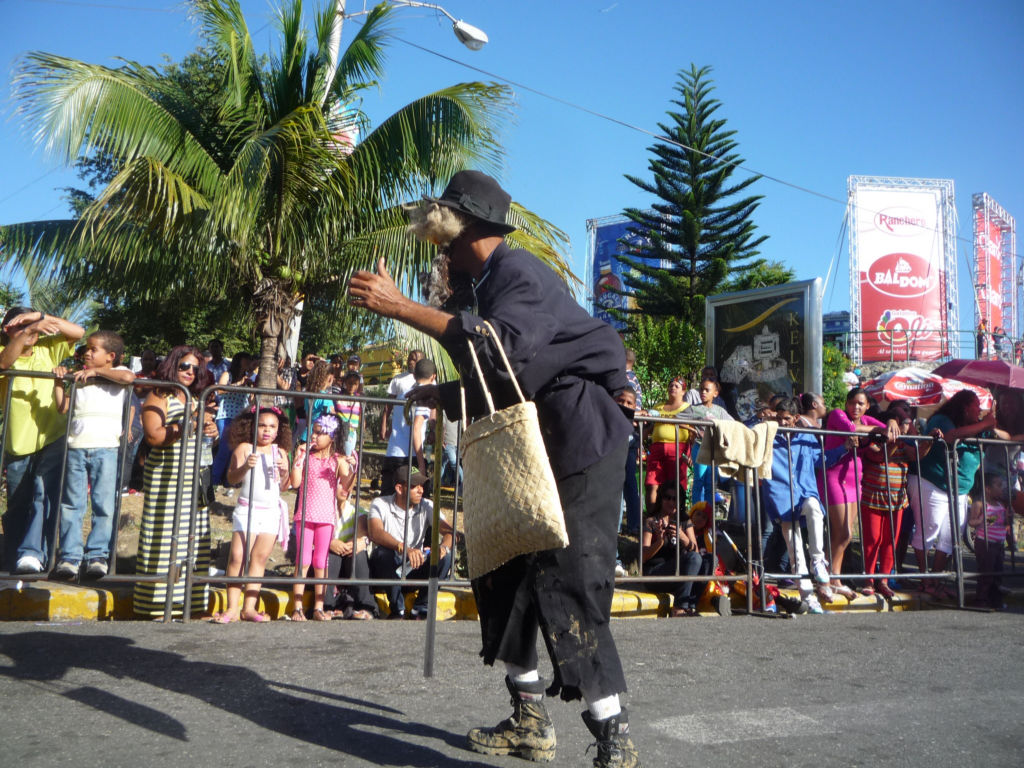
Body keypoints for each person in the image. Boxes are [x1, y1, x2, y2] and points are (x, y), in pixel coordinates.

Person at [348, 170, 640, 765]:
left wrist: (399, 307)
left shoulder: (519, 272)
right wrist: (449, 395)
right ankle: (528, 720)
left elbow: (503, 348)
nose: (441, 258)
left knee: (568, 579)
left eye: (443, 245)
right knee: (502, 570)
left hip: (581, 443)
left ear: (466, 232)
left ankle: (613, 735)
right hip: (534, 445)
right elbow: (503, 376)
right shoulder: (485, 284)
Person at [0, 307, 85, 574]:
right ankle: (12, 558)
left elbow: (79, 332)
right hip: (18, 442)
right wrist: (26, 331)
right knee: (18, 502)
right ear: (7, 329)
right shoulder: (5, 351)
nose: (33, 332)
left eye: (33, 327)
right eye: (21, 326)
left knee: (45, 497)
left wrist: (40, 318)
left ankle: (39, 559)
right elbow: (4, 364)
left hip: (53, 436)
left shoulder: (48, 348)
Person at [133, 345, 216, 618]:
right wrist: (190, 423)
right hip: (167, 479)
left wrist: (209, 429)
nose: (190, 372)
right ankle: (156, 605)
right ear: (172, 366)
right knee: (164, 538)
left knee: (193, 542)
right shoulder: (160, 394)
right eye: (185, 366)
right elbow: (154, 436)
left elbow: (196, 434)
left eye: (196, 368)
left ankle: (188, 605)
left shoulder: (196, 397)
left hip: (194, 478)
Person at [51, 330, 135, 580]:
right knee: (72, 504)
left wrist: (97, 372)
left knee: (103, 505)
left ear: (111, 356)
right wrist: (59, 382)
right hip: (77, 446)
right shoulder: (79, 379)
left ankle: (97, 555)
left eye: (92, 349)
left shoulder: (115, 377)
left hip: (105, 448)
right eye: (86, 349)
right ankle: (69, 556)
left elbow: (129, 376)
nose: (86, 353)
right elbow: (63, 407)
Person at [762, 397, 854, 611]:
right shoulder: (768, 435)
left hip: (805, 491)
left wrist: (845, 447)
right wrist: (760, 417)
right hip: (781, 495)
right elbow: (745, 432)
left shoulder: (806, 437)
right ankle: (808, 597)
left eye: (786, 418)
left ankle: (819, 561)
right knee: (794, 549)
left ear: (795, 418)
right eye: (779, 418)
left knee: (814, 508)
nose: (782, 422)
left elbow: (820, 458)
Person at [908, 390, 997, 599]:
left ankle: (935, 580)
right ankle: (924, 580)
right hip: (932, 482)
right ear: (965, 407)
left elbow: (1002, 435)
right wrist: (985, 424)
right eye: (977, 405)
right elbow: (948, 437)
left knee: (952, 535)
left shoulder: (978, 428)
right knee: (929, 530)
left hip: (959, 489)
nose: (980, 409)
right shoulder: (942, 419)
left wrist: (993, 422)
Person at [817, 387, 899, 599]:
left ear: (867, 406)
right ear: (846, 403)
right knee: (843, 532)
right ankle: (828, 577)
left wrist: (890, 421)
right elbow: (851, 429)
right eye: (853, 403)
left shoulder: (868, 420)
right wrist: (880, 430)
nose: (856, 407)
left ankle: (832, 577)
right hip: (835, 478)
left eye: (861, 404)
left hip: (854, 481)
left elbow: (888, 429)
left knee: (842, 535)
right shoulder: (838, 414)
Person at [214, 407, 292, 623]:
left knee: (259, 558)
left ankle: (249, 608)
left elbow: (284, 487)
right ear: (253, 427)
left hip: (270, 512)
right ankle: (231, 608)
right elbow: (231, 479)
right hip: (246, 509)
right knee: (238, 556)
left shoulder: (280, 452)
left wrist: (285, 472)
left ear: (278, 431)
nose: (267, 431)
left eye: (272, 427)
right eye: (262, 425)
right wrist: (245, 467)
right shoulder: (245, 448)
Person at [289, 414, 355, 621]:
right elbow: (296, 482)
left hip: (326, 517)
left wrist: (353, 469)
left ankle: (319, 606)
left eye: (320, 432)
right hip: (305, 515)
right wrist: (298, 459)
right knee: (303, 560)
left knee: (320, 561)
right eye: (314, 431)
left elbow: (346, 485)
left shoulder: (337, 460)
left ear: (333, 436)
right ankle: (297, 607)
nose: (315, 436)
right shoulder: (306, 456)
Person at [367, 465, 453, 619]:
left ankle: (421, 607)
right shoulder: (380, 503)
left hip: (414, 566)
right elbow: (375, 532)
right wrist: (403, 548)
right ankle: (397, 608)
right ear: (400, 488)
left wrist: (443, 547)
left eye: (422, 485)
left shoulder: (427, 505)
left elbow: (449, 531)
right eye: (415, 486)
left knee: (445, 557)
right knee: (383, 553)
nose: (421, 490)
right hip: (390, 569)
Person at [860, 405, 926, 599]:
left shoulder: (904, 445)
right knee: (872, 540)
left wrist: (930, 439)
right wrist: (894, 441)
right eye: (903, 423)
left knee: (891, 542)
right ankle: (868, 580)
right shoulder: (874, 441)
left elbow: (917, 456)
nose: (905, 427)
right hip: (873, 497)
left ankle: (884, 580)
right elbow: (879, 456)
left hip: (896, 499)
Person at [641, 485, 702, 616]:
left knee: (709, 559)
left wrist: (683, 538)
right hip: (655, 573)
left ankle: (691, 604)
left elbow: (696, 551)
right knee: (693, 559)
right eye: (667, 498)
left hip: (677, 573)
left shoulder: (685, 520)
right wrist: (660, 541)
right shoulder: (651, 521)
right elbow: (643, 557)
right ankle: (679, 608)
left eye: (675, 499)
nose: (671, 502)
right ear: (660, 499)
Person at [379, 350, 427, 495]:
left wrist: (434, 427)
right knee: (389, 489)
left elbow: (432, 411)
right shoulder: (398, 380)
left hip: (415, 449)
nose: (412, 362)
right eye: (411, 359)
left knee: (414, 489)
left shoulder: (427, 381)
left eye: (417, 360)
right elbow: (388, 406)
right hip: (396, 447)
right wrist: (383, 424)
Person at [645, 376, 691, 512]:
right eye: (670, 385)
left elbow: (694, 432)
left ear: (683, 391)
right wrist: (639, 443)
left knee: (676, 486)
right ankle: (652, 520)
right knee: (651, 483)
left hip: (678, 448)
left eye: (677, 386)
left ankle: (675, 520)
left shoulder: (688, 408)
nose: (672, 388)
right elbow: (649, 427)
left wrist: (690, 454)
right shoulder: (657, 407)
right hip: (656, 448)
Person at [968, 471, 1013, 609]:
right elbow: (972, 522)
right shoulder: (980, 504)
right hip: (985, 543)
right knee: (986, 572)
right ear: (988, 488)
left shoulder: (1001, 504)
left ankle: (995, 598)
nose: (1002, 488)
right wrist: (983, 519)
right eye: (998, 485)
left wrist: (1008, 518)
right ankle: (981, 599)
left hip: (999, 543)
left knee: (997, 572)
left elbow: (1003, 523)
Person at [211, 352, 253, 487]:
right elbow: (220, 391)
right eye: (246, 359)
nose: (248, 362)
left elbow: (251, 399)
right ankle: (214, 479)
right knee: (224, 448)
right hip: (226, 415)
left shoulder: (249, 378)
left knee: (236, 449)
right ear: (239, 361)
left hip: (241, 417)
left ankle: (229, 480)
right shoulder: (227, 374)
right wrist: (240, 383)